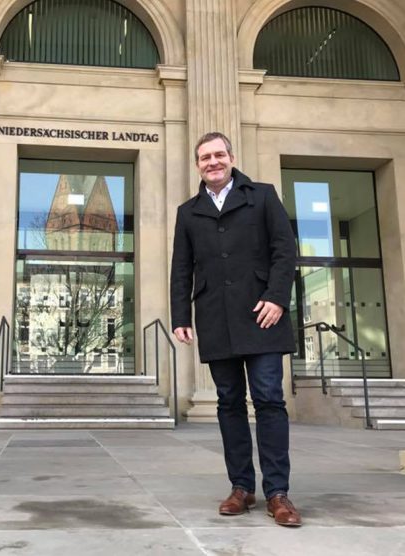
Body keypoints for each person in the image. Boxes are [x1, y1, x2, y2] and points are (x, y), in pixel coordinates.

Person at [170, 132, 301, 527]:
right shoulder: (187, 211)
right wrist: (180, 317)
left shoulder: (262, 195)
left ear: (231, 157)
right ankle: (241, 488)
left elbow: (285, 249)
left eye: (219, 154)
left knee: (268, 400)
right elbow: (181, 268)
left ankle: (278, 493)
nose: (213, 161)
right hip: (216, 318)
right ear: (197, 165)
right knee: (228, 404)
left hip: (263, 315)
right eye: (205, 157)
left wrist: (277, 297)